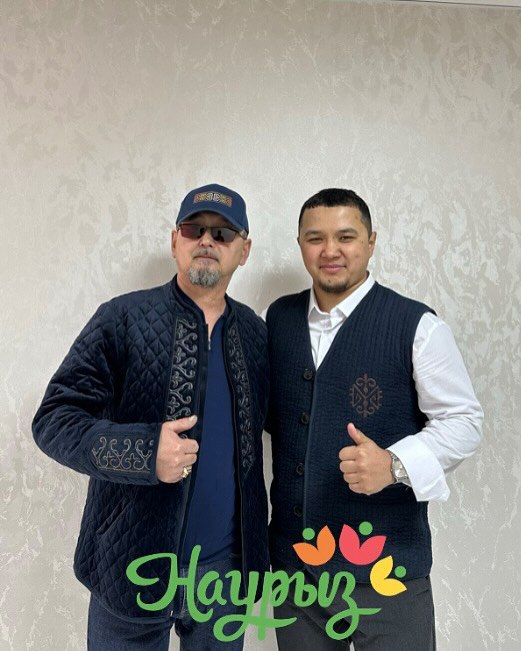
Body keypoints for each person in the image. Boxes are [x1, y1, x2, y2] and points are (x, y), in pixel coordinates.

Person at [32, 183, 270, 651]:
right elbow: (54, 419)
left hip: (224, 577)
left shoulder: (257, 336)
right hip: (129, 569)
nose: (207, 240)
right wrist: (143, 452)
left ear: (244, 250)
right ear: (175, 240)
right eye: (194, 229)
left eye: (223, 233)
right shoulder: (122, 319)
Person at [265, 188, 483, 650]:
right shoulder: (276, 319)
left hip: (389, 576)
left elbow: (464, 421)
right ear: (300, 244)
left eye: (345, 237)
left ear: (371, 242)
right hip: (296, 575)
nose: (330, 250)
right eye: (315, 238)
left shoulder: (417, 325)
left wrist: (394, 464)